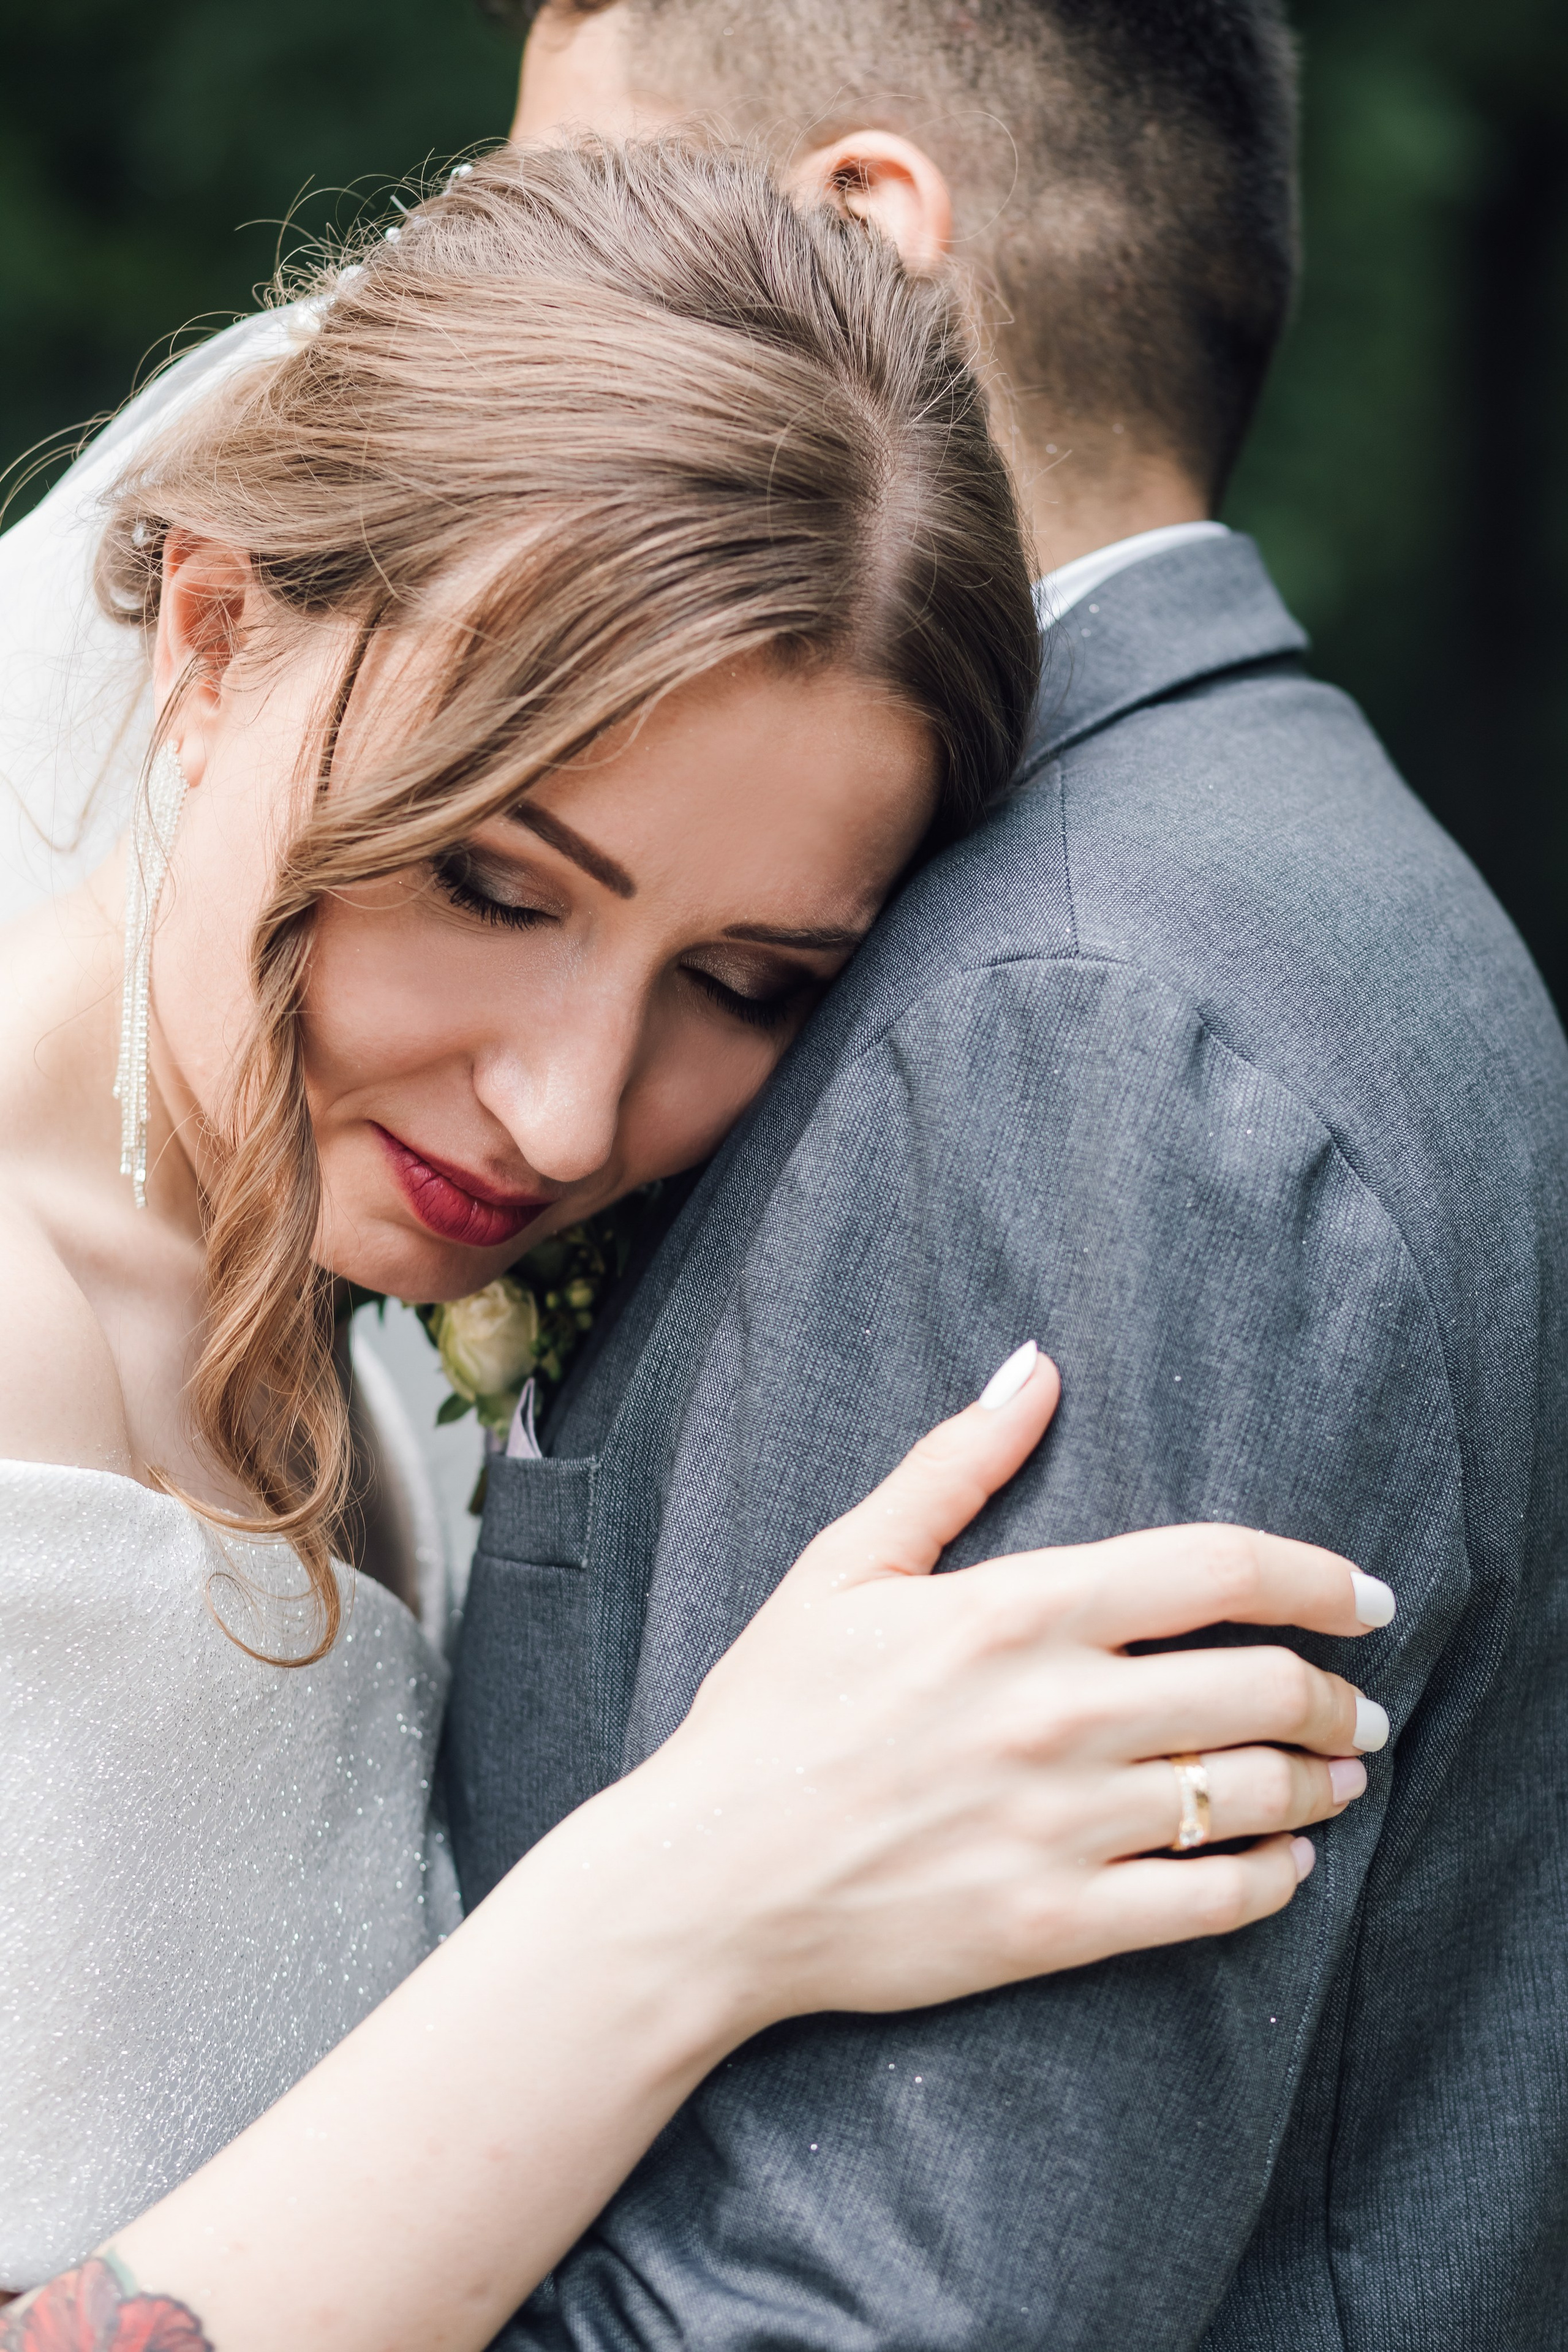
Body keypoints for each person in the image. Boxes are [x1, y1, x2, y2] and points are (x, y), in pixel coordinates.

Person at [0, 143, 1390, 2352]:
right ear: (209, 638)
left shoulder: (355, 1351)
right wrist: (699, 1890)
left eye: (744, 986)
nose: (565, 1111)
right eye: (492, 883)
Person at [428, 7, 1567, 2351]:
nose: (520, 327)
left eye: (576, 210)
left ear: (860, 242)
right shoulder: (1237, 883)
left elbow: (867, 2306)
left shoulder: (1084, 1023)